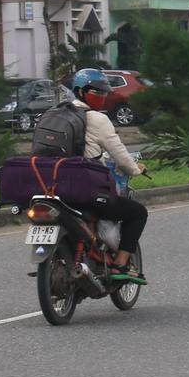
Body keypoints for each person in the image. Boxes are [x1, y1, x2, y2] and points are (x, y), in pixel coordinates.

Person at [53, 67, 148, 284]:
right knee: (138, 213)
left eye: (104, 92)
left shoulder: (55, 114)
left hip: (53, 188)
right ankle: (121, 263)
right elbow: (119, 154)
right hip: (85, 192)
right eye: (97, 92)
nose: (103, 97)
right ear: (81, 91)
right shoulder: (97, 119)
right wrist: (135, 169)